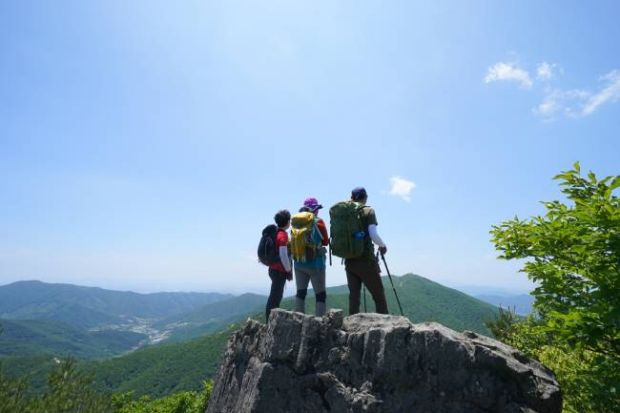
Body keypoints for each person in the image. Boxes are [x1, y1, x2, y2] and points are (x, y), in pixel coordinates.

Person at [345, 187, 389, 315]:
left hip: (349, 260)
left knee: (354, 297)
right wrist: (383, 245)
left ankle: (350, 328)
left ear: (352, 198)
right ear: (365, 197)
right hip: (366, 260)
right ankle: (386, 327)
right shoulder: (368, 211)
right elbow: (373, 235)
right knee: (379, 295)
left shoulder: (346, 214)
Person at [293, 197, 329, 316]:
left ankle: (298, 321)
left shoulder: (296, 223)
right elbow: (325, 242)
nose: (318, 211)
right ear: (314, 209)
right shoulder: (318, 221)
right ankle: (319, 324)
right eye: (317, 208)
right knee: (320, 295)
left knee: (300, 293)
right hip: (316, 263)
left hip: (298, 263)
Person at [266, 209, 292, 322]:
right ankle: (270, 322)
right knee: (275, 298)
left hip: (273, 269)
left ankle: (270, 321)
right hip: (279, 271)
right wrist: (288, 270)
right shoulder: (282, 235)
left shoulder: (275, 233)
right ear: (287, 222)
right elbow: (283, 255)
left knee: (274, 296)